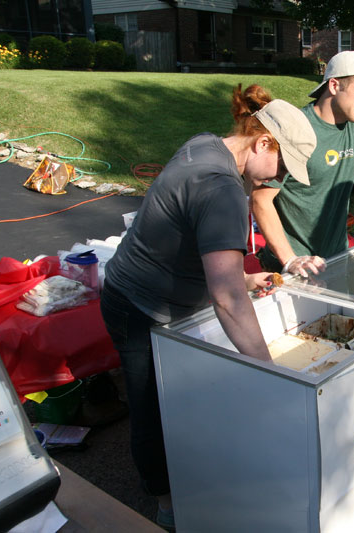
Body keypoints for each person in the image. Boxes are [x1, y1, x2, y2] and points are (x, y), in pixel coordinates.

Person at [100, 85, 316, 530]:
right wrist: (272, 374)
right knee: (152, 410)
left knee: (179, 402)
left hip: (151, 292)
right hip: (139, 304)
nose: (277, 181)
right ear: (262, 142)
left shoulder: (206, 144)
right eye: (280, 167)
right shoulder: (223, 190)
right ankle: (166, 505)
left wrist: (243, 276)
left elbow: (192, 244)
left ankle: (192, 479)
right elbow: (227, 300)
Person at [252, 51, 354, 277]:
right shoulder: (295, 128)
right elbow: (261, 199)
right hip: (292, 261)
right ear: (333, 85)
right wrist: (290, 260)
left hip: (337, 256)